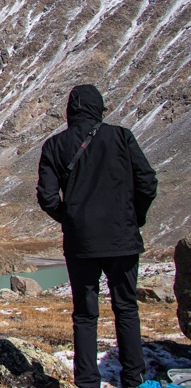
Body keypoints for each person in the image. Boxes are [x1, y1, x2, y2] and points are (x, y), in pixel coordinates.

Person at [36, 85, 159, 388]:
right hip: (122, 238)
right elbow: (147, 181)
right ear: (99, 108)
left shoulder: (55, 145)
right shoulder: (121, 137)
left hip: (81, 243)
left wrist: (71, 220)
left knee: (85, 314)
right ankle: (133, 378)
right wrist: (135, 217)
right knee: (126, 308)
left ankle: (87, 382)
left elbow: (47, 198)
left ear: (70, 111)